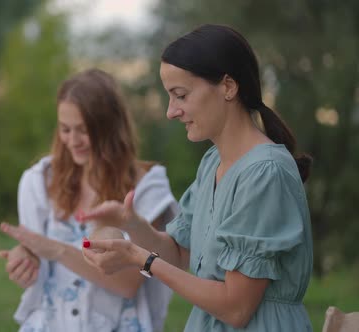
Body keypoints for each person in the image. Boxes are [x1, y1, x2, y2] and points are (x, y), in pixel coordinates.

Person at [80, 24, 314, 331]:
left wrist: (142, 260)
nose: (170, 111)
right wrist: (131, 223)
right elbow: (178, 254)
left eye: (180, 95)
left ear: (228, 87)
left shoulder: (265, 173)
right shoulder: (213, 162)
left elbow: (236, 308)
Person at [0, 68, 178, 331]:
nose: (73, 141)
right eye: (65, 129)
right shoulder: (39, 181)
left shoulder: (147, 187)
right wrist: (26, 258)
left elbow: (127, 283)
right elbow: (37, 251)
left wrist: (56, 249)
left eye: (83, 130)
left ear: (110, 127)